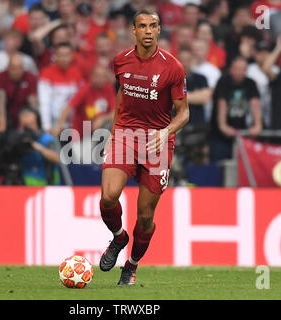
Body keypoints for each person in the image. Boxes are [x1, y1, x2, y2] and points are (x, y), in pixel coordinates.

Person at [98, 10, 189, 285]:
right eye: (142, 26)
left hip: (157, 143)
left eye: (153, 25)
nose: (148, 31)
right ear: (133, 31)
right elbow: (122, 95)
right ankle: (118, 238)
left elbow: (184, 113)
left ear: (159, 30)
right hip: (126, 135)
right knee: (108, 197)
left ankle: (131, 265)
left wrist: (166, 132)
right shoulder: (120, 61)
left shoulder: (172, 67)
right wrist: (113, 135)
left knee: (146, 216)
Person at [53, 64, 116, 162]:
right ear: (92, 77)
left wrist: (102, 118)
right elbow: (68, 107)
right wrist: (59, 125)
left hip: (98, 133)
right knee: (84, 163)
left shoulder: (108, 87)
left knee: (111, 125)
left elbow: (114, 112)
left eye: (103, 76)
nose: (101, 79)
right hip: (81, 135)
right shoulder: (85, 89)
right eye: (98, 76)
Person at [210, 56, 262, 162]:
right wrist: (223, 126)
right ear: (231, 69)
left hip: (243, 135)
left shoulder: (250, 83)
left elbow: (255, 105)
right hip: (220, 136)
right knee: (220, 167)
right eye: (237, 68)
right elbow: (222, 104)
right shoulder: (223, 81)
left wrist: (257, 125)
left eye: (242, 69)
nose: (239, 72)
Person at [38, 42, 83, 134]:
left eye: (66, 55)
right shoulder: (46, 73)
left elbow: (81, 100)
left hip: (74, 125)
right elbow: (44, 102)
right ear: (55, 56)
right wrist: (47, 126)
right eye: (61, 55)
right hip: (54, 123)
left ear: (72, 56)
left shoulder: (77, 72)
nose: (64, 58)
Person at [0, 53, 38, 132]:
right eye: (14, 68)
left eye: (20, 68)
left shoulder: (30, 78)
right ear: (8, 67)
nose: (17, 71)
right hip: (7, 115)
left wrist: (33, 123)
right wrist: (2, 125)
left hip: (24, 115)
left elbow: (33, 102)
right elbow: (0, 102)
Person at [18, 107, 61, 186]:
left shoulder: (46, 139)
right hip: (26, 187)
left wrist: (38, 147)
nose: (29, 128)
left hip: (49, 186)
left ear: (37, 122)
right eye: (25, 125)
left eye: (32, 124)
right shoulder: (18, 140)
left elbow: (58, 158)